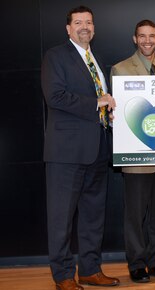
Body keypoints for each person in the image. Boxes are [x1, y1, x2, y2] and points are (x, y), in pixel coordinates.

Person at [41, 5, 119, 290]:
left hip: (98, 148)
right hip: (66, 153)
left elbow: (100, 100)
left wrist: (109, 114)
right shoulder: (55, 56)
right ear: (68, 29)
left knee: (93, 216)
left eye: (88, 22)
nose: (84, 26)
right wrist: (97, 103)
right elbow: (55, 96)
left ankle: (89, 270)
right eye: (78, 22)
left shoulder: (94, 60)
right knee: (61, 218)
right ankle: (63, 275)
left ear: (94, 28)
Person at [110, 19, 155, 283]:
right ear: (134, 39)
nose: (147, 41)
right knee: (135, 215)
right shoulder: (121, 69)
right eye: (142, 36)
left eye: (152, 36)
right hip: (137, 154)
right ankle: (137, 264)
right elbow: (117, 113)